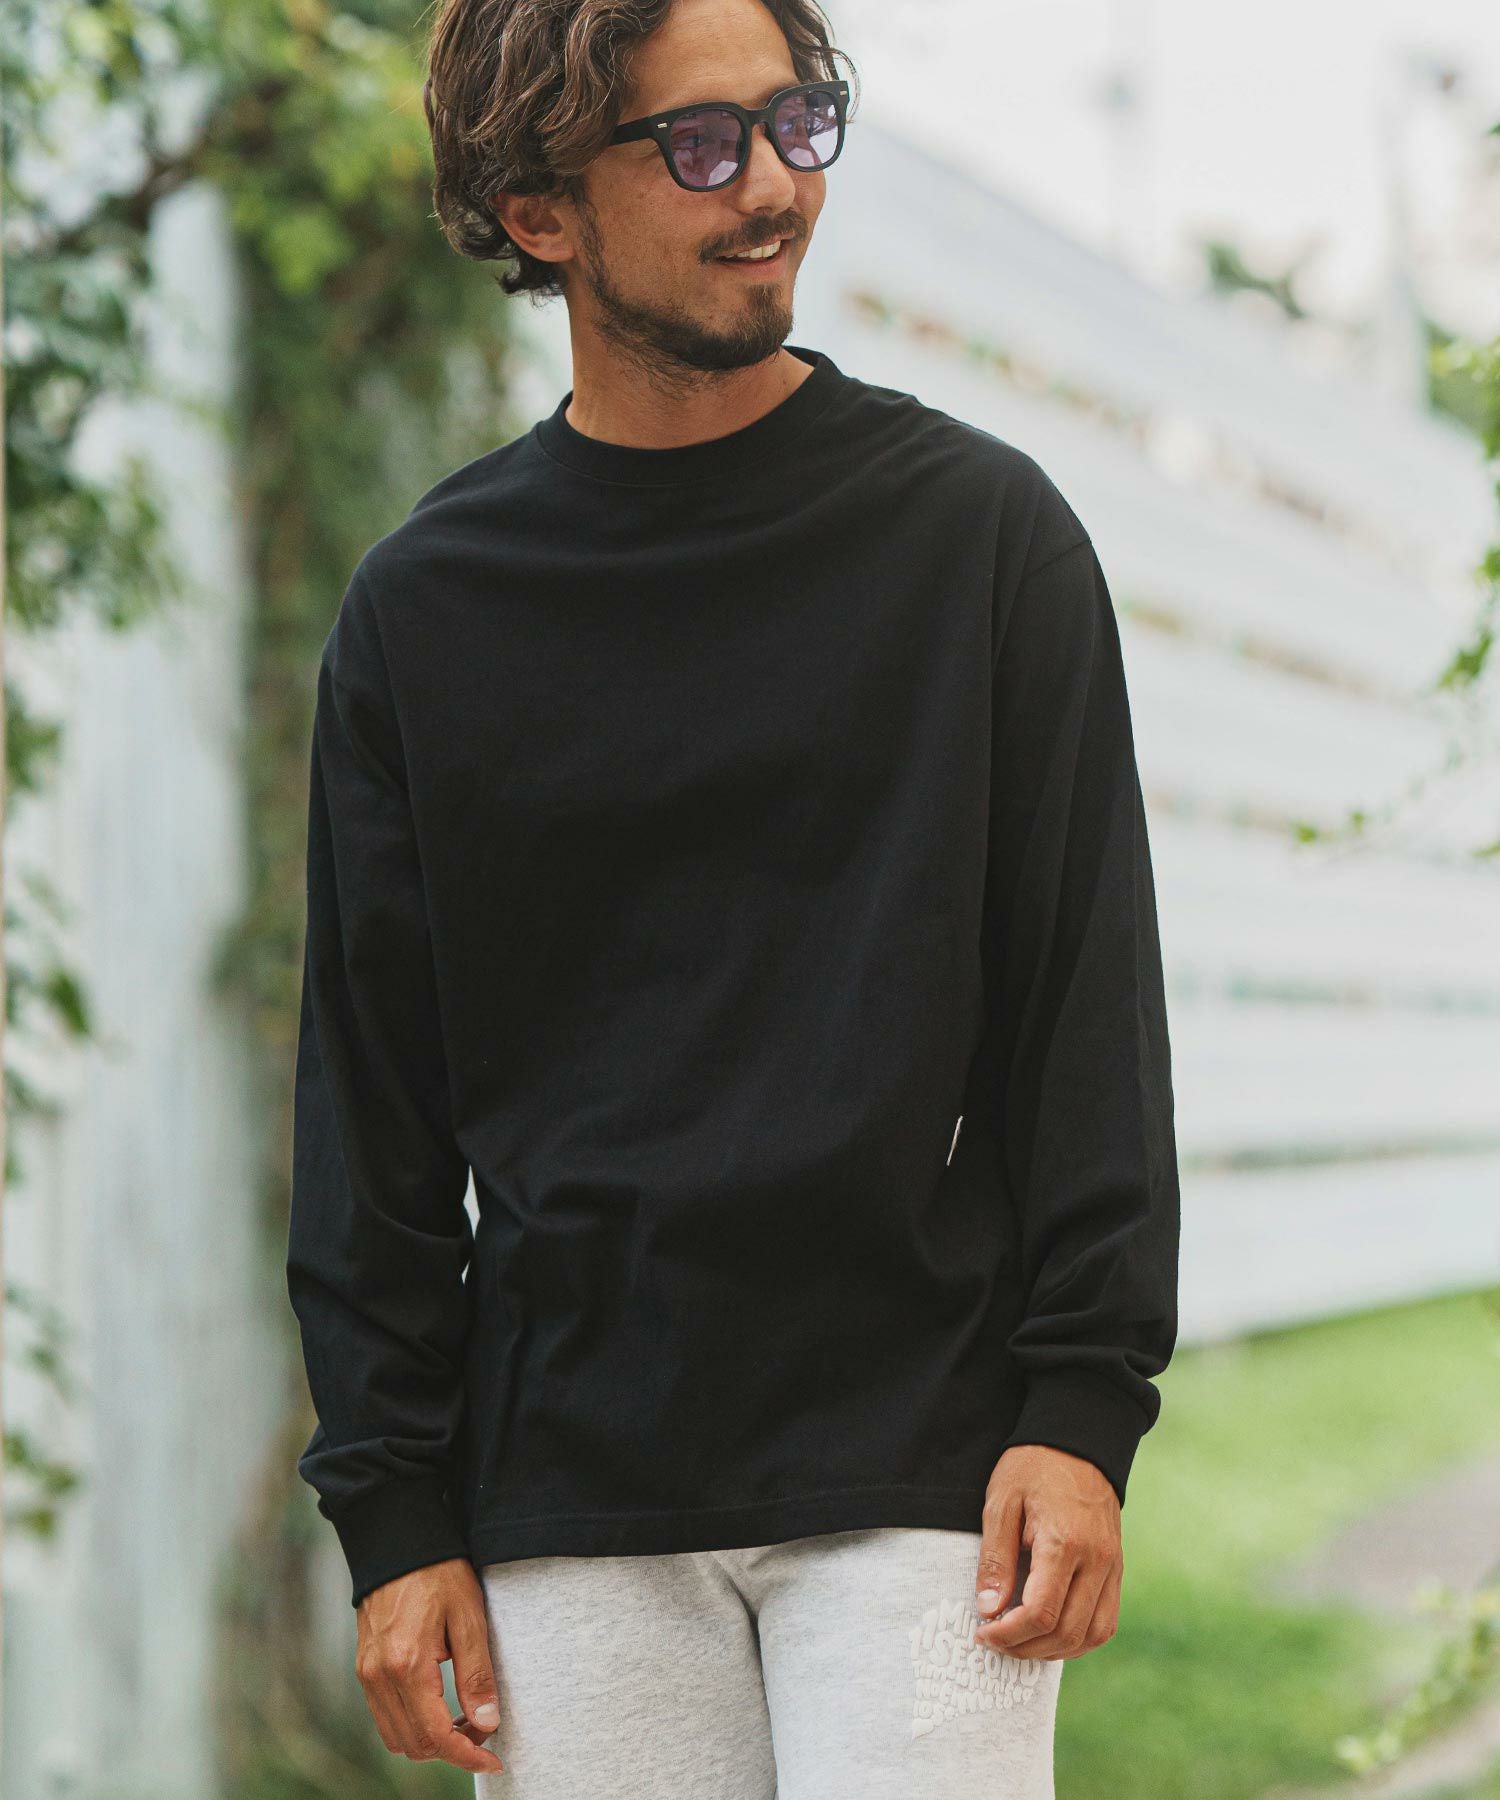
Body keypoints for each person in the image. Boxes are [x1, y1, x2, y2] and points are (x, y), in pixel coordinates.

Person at [285, 0, 1181, 1791]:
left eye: (797, 119)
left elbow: (1086, 1010)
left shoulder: (981, 542)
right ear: (540, 209)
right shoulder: (427, 612)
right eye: (700, 144)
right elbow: (373, 1104)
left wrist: (1084, 1408)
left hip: (925, 1471)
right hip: (570, 1495)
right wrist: (392, 1513)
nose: (771, 185)